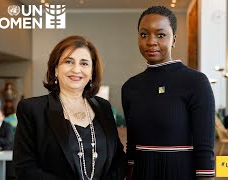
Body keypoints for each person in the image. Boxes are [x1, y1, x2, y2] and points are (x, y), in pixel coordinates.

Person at [122, 6, 215, 180]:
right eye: (144, 34)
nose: (151, 41)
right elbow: (132, 145)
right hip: (142, 173)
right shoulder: (130, 87)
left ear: (173, 40)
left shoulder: (195, 82)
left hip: (180, 172)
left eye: (160, 35)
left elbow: (204, 148)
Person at [13, 36, 125, 180]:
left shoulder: (104, 107)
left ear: (92, 73)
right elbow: (25, 168)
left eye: (84, 63)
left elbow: (118, 158)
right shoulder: (32, 109)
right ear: (55, 69)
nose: (76, 69)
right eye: (68, 61)